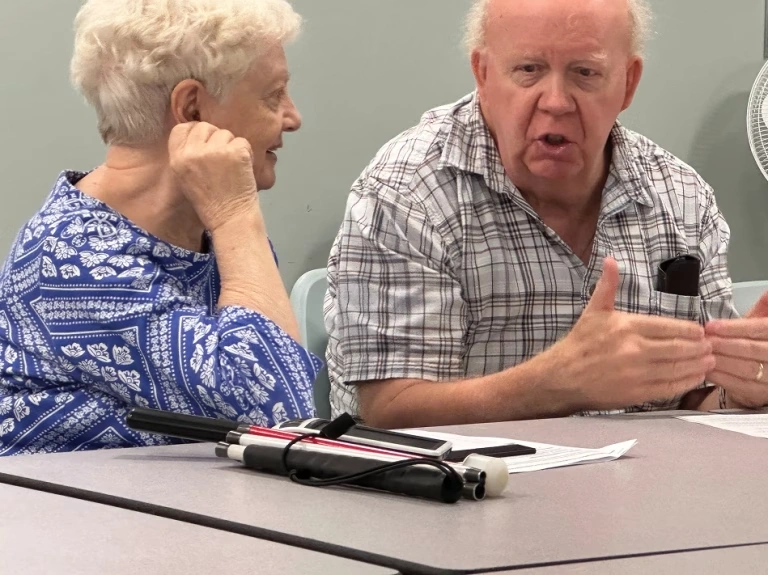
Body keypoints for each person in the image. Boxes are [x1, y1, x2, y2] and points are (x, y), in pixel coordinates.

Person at [325, 0, 768, 428]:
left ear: (628, 83)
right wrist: (557, 383)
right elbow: (390, 408)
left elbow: (694, 397)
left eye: (585, 73)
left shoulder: (683, 198)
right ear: (482, 73)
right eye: (528, 70)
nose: (555, 101)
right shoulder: (409, 191)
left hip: (645, 486)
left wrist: (743, 387)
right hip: (465, 490)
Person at [0, 0, 320, 456]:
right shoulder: (68, 259)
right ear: (191, 108)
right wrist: (236, 214)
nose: (293, 117)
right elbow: (276, 417)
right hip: (73, 522)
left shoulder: (212, 234)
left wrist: (232, 219)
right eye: (273, 95)